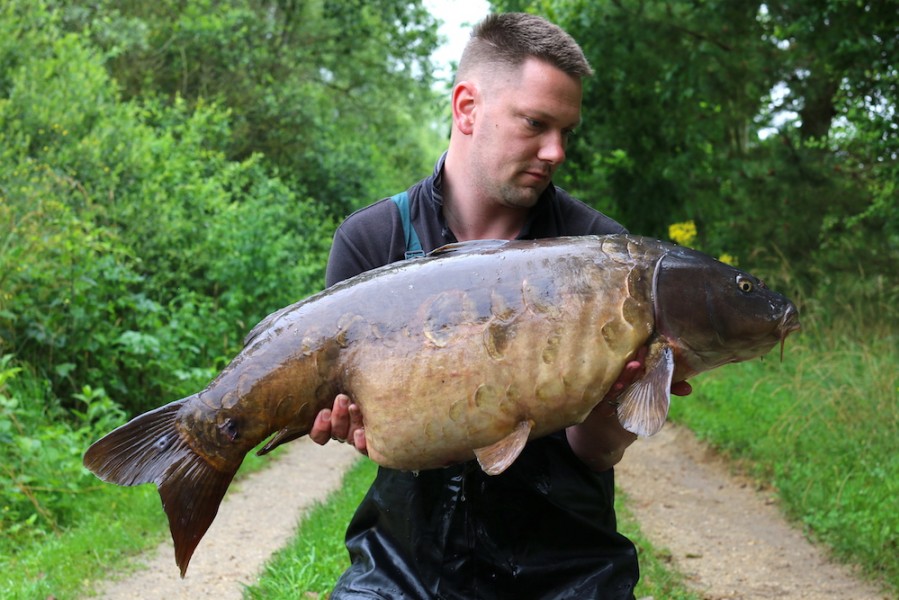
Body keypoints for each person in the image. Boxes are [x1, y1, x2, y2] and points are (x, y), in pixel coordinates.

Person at [310, 12, 690, 599]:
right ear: (467, 108)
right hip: (405, 562)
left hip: (569, 562)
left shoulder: (605, 257)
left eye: (567, 131)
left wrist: (621, 402)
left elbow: (595, 454)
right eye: (536, 124)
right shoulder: (372, 240)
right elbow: (361, 434)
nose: (557, 151)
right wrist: (350, 422)